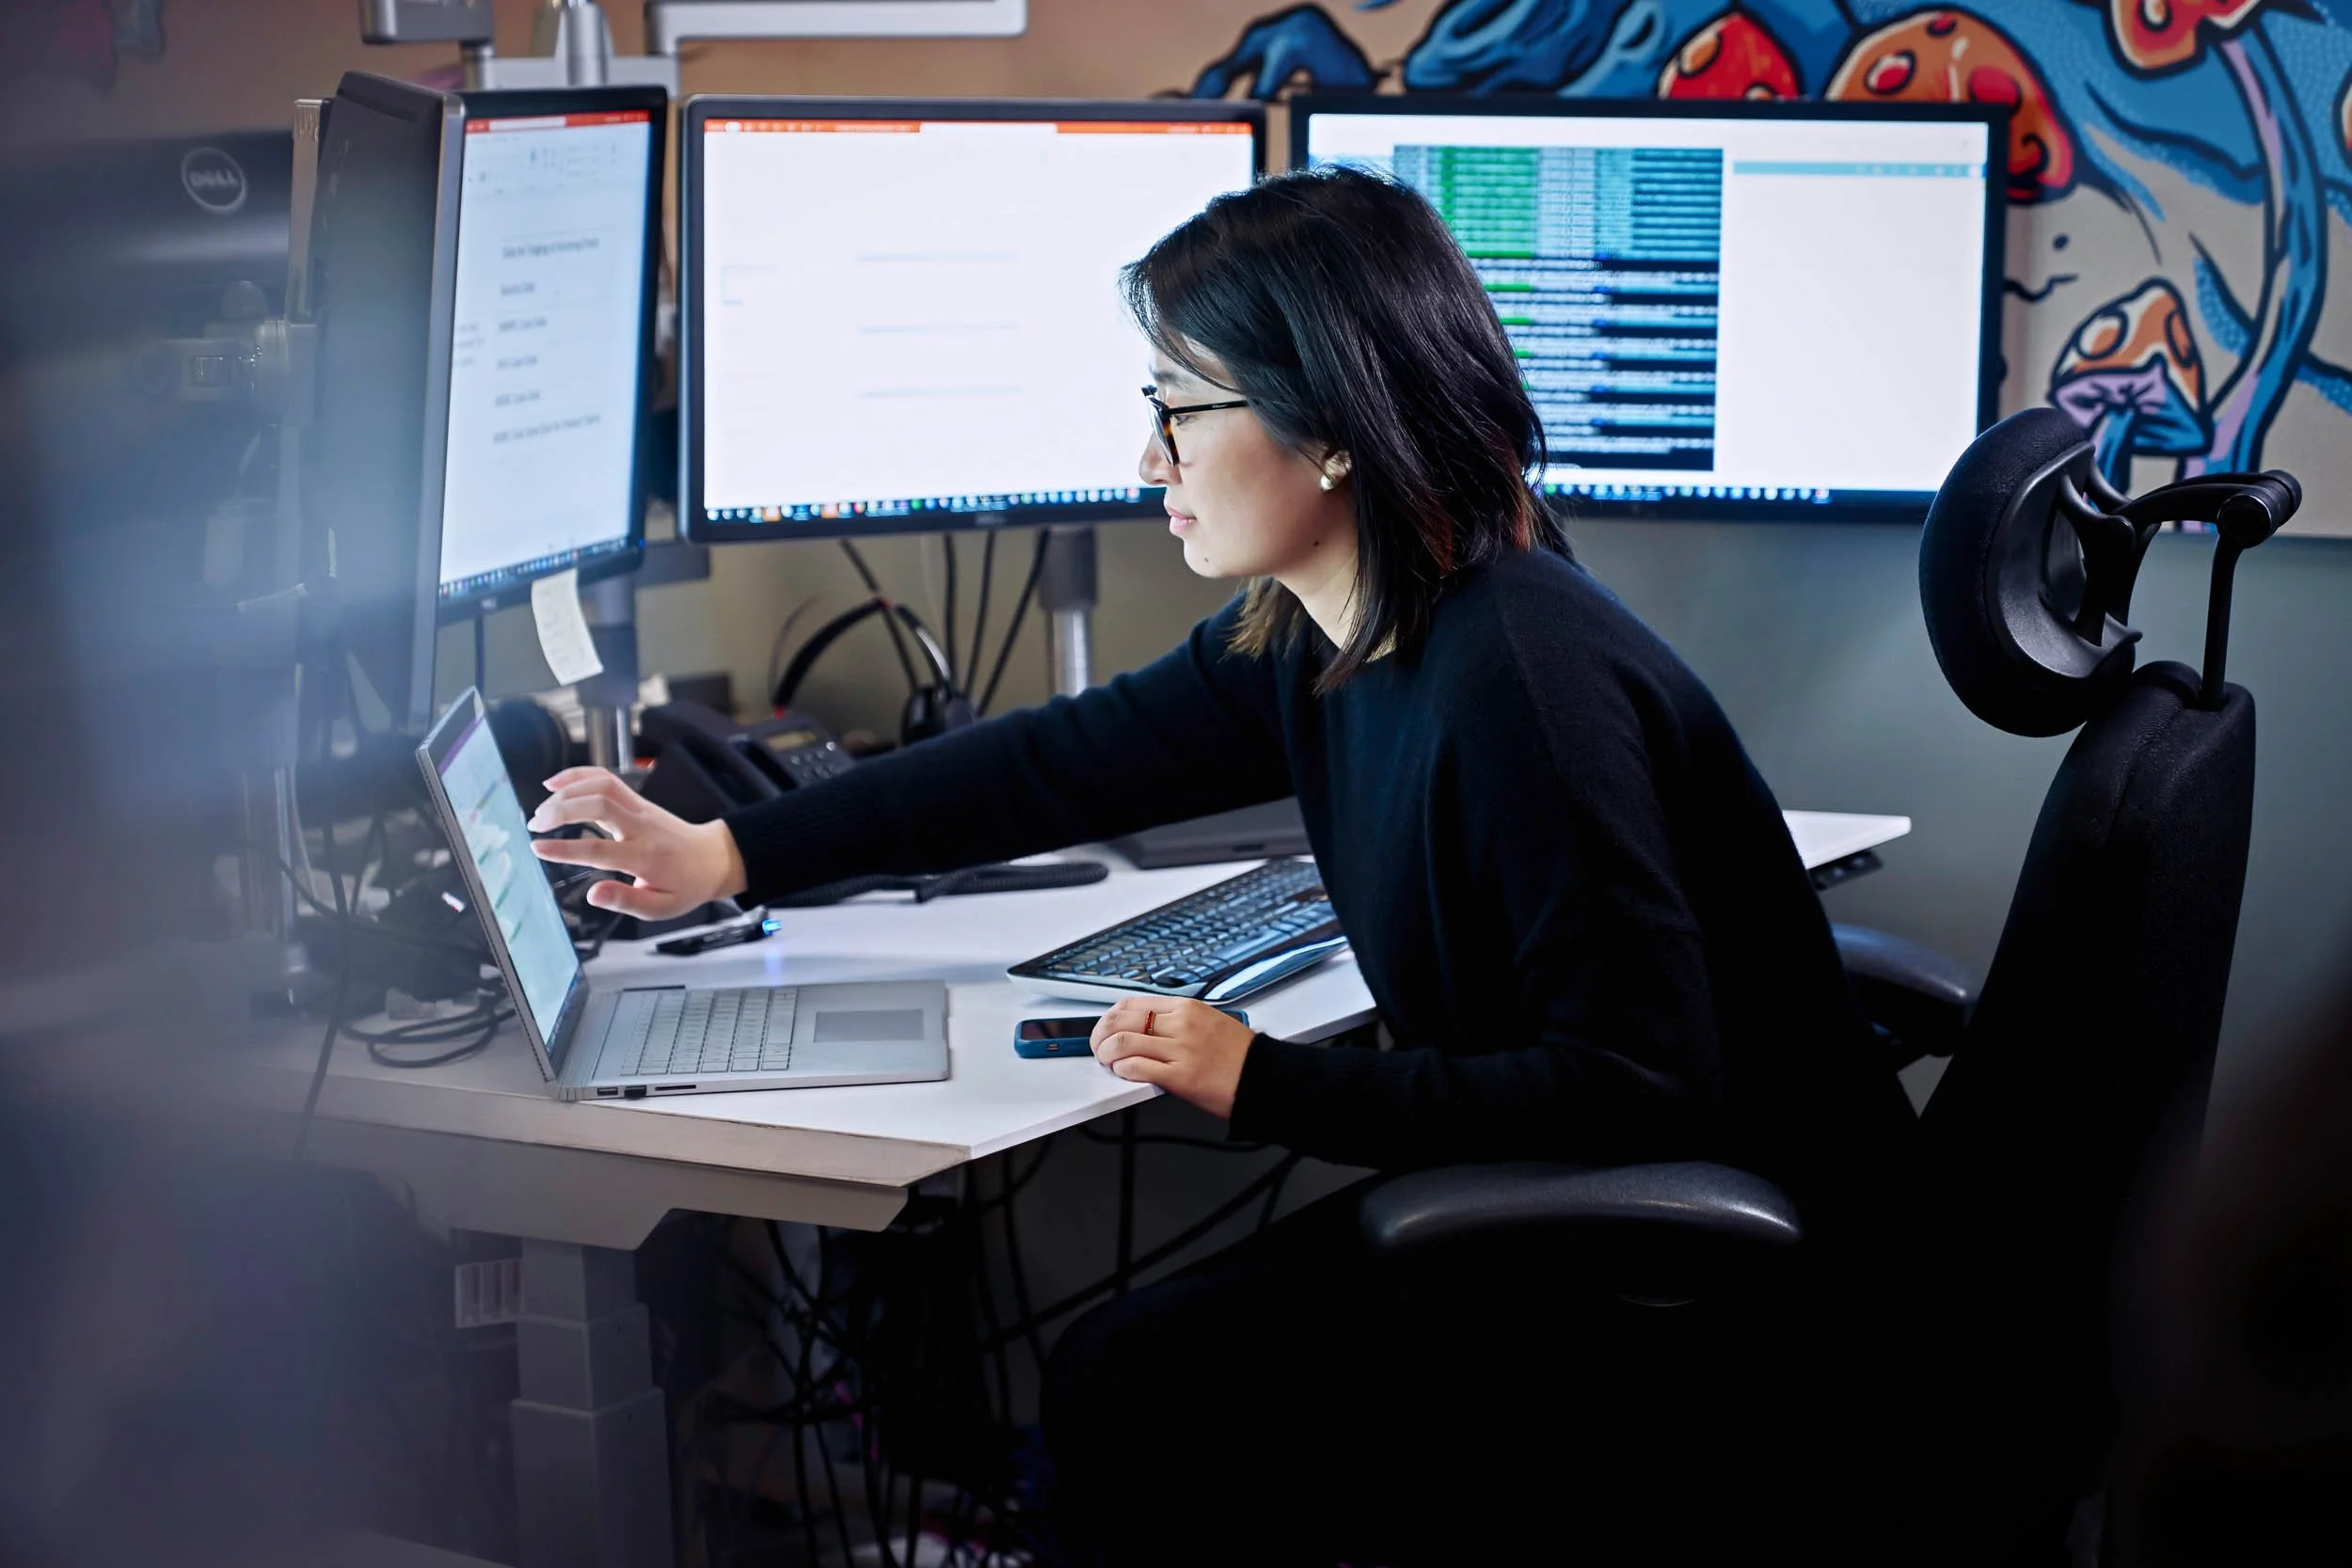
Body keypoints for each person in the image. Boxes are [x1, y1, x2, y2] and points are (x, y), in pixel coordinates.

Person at [530, 166, 1913, 1562]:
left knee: (1134, 1386)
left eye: (1181, 412)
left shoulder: (1515, 681)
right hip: (1589, 1225)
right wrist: (728, 850)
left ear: (1329, 431)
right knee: (1129, 1375)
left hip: (1702, 1305)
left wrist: (1264, 1078)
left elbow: (1640, 1086)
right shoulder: (1334, 624)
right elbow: (1051, 764)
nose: (1151, 463)